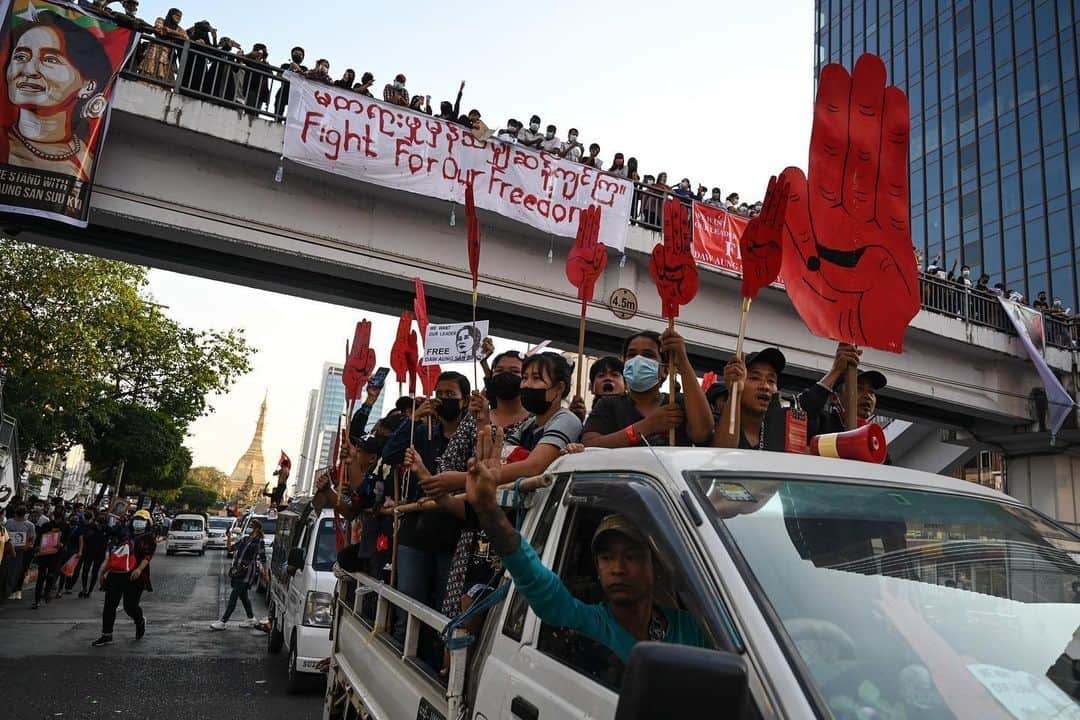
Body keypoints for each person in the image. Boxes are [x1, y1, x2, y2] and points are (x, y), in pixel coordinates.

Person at [464, 427, 708, 662]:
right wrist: (488, 510)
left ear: (655, 565)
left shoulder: (691, 629)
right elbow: (534, 577)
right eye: (606, 558)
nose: (617, 568)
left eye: (631, 556)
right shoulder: (589, 624)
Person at [381, 372, 472, 620]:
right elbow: (390, 454)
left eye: (450, 395)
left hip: (454, 531)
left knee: (445, 607)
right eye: (438, 394)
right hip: (416, 528)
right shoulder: (423, 432)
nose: (443, 400)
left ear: (464, 400)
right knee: (409, 604)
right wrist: (414, 418)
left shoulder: (473, 436)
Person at [3, 11, 115, 183]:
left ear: (87, 86)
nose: (28, 70)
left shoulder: (86, 160)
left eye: (50, 60)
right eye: (20, 57)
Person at [583, 330, 713, 448]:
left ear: (665, 370)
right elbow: (589, 444)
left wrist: (683, 362)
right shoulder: (609, 404)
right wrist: (647, 426)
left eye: (648, 355)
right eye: (632, 354)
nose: (638, 360)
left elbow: (702, 433)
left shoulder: (678, 403)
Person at [92, 509, 156, 646]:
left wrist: (139, 569)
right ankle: (106, 634)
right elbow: (113, 554)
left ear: (148, 522)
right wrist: (102, 573)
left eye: (143, 520)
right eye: (137, 519)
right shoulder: (123, 534)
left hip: (135, 576)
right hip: (116, 574)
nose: (139, 522)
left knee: (130, 606)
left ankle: (139, 621)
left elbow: (148, 556)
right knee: (109, 605)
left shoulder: (149, 537)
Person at [712, 348, 786, 450]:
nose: (765, 386)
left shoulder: (783, 435)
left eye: (771, 380)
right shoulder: (714, 424)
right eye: (754, 378)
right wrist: (736, 392)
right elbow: (723, 453)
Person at [210, 519, 266, 631]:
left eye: (251, 526)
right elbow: (231, 548)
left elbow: (263, 558)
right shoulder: (245, 539)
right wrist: (229, 536)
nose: (249, 528)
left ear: (257, 528)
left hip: (247, 573)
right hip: (237, 571)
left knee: (234, 596)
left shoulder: (259, 542)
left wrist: (265, 573)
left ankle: (223, 621)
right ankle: (251, 618)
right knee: (243, 596)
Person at [138, 7, 186, 83]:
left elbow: (185, 37)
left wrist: (170, 31)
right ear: (171, 14)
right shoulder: (161, 20)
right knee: (148, 71)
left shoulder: (179, 29)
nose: (179, 18)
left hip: (167, 54)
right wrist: (173, 33)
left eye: (180, 17)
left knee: (164, 76)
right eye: (177, 15)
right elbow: (159, 29)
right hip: (154, 49)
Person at [31, 507, 67, 608]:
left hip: (56, 555)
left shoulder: (65, 526)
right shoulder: (46, 525)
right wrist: (37, 547)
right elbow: (39, 539)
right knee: (42, 576)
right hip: (45, 553)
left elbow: (66, 540)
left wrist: (62, 544)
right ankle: (38, 599)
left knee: (50, 575)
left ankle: (46, 593)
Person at [75, 512, 108, 598]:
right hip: (88, 553)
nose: (99, 526)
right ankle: (84, 588)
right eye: (98, 523)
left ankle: (89, 591)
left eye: (101, 524)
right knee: (85, 571)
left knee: (95, 572)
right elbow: (82, 536)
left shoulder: (107, 529)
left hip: (100, 554)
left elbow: (118, 535)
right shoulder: (90, 528)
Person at [5, 505, 34, 600]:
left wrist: (27, 546)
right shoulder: (9, 522)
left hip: (19, 552)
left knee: (14, 573)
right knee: (5, 572)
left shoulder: (29, 525)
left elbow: (31, 540)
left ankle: (10, 592)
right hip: (6, 551)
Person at [273, 46, 306, 117]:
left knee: (292, 113)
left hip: (296, 93)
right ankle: (277, 120)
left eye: (300, 55)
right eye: (296, 53)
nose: (298, 55)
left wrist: (299, 69)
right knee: (278, 107)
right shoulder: (285, 65)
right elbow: (278, 76)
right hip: (283, 90)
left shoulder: (304, 68)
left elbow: (305, 80)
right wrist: (289, 68)